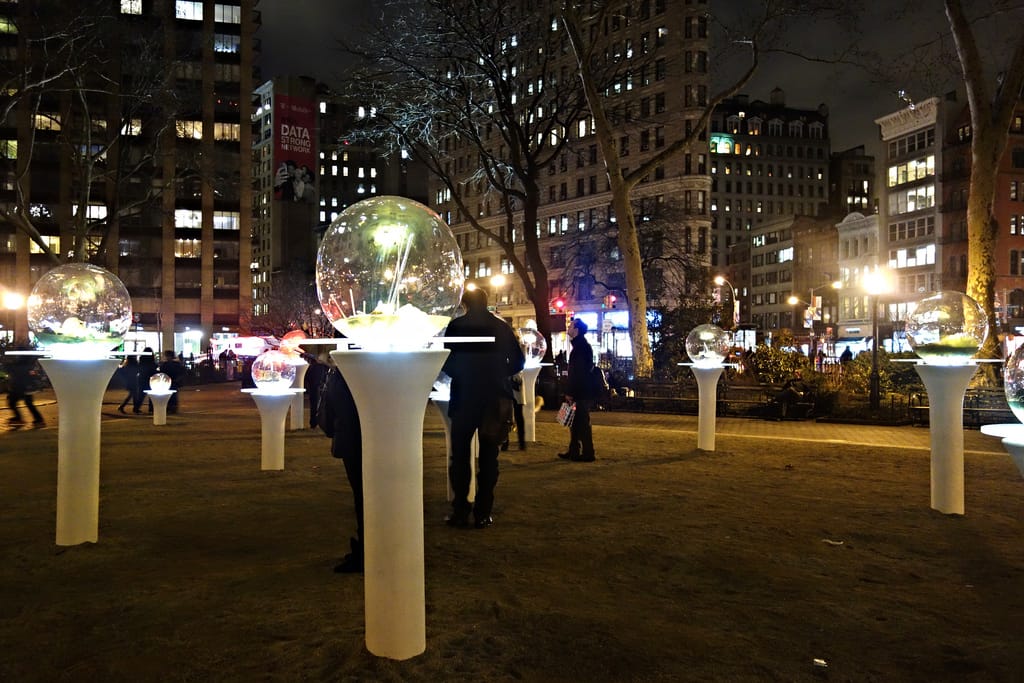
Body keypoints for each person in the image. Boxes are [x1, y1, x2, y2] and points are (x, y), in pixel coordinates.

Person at [442, 288, 525, 529]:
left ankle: (460, 510)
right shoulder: (501, 326)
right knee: (489, 458)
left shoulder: (457, 326)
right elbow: (518, 361)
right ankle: (483, 512)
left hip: (464, 397)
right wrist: (498, 374)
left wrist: (462, 374)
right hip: (494, 398)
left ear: (465, 304)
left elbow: (446, 359)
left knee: (459, 457)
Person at [325, 362, 363, 573]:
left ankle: (368, 550)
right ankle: (368, 546)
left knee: (364, 495)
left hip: (355, 438)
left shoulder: (348, 372)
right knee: (365, 495)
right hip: (356, 436)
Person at [558, 318, 597, 462]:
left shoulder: (580, 348)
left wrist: (570, 392)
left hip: (581, 392)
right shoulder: (580, 346)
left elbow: (578, 373)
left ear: (577, 330)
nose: (568, 327)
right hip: (581, 391)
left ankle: (588, 453)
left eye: (571, 326)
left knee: (582, 423)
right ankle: (574, 450)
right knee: (575, 422)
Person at [4, 344, 45, 429]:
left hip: (20, 386)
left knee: (12, 403)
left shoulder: (21, 363)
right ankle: (38, 419)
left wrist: (8, 366)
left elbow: (16, 370)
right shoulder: (27, 361)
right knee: (28, 403)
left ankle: (19, 418)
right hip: (27, 387)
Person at [158, 350, 185, 414]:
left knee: (171, 395)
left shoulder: (167, 364)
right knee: (172, 395)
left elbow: (162, 372)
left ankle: (171, 408)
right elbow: (182, 372)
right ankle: (172, 408)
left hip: (170, 381)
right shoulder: (175, 364)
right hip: (172, 381)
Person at [134, 348, 158, 414]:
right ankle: (151, 409)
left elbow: (139, 368)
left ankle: (136, 408)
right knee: (151, 395)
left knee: (141, 395)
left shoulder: (142, 359)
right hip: (150, 378)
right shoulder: (151, 360)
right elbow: (153, 368)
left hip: (142, 378)